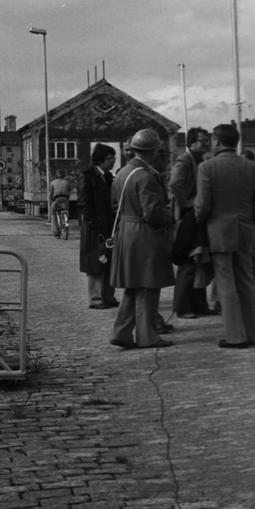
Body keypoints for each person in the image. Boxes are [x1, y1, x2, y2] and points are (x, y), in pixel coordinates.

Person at [195, 122, 255, 349]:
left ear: (216, 141)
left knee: (225, 282)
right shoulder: (253, 167)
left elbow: (202, 205)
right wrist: (252, 222)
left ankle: (235, 336)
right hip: (245, 229)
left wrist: (198, 221)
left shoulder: (207, 167)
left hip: (219, 231)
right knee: (246, 280)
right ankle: (253, 333)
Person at [108, 130, 175, 350]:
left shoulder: (122, 172)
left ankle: (122, 332)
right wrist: (170, 215)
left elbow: (115, 205)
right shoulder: (146, 176)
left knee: (133, 286)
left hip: (126, 231)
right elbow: (152, 213)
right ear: (152, 151)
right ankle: (148, 336)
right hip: (144, 234)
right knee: (148, 285)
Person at [168, 127, 213, 319]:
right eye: (203, 140)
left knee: (198, 259)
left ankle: (199, 304)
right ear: (192, 142)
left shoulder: (200, 160)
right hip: (187, 216)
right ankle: (182, 307)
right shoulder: (185, 160)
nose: (207, 143)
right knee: (188, 261)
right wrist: (185, 202)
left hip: (196, 214)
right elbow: (174, 183)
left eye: (207, 140)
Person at [79, 144, 119, 309]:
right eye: (110, 158)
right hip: (95, 229)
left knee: (108, 260)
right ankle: (95, 298)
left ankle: (108, 296)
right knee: (95, 262)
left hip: (108, 226)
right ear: (100, 160)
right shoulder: (88, 177)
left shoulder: (108, 177)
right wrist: (94, 224)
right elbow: (84, 203)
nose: (113, 161)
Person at [49, 169, 72, 237]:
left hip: (57, 199)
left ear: (56, 175)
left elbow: (50, 194)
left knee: (53, 213)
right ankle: (65, 220)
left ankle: (56, 231)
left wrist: (51, 201)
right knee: (66, 210)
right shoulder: (67, 182)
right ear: (64, 175)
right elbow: (69, 192)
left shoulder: (53, 182)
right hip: (65, 199)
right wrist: (67, 199)